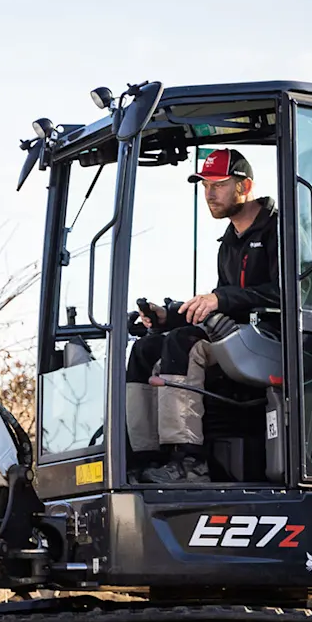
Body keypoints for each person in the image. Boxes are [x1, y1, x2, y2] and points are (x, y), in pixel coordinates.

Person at [125, 148, 280, 483]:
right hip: (235, 335)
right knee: (146, 349)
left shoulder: (280, 229)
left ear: (245, 185)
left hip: (274, 338)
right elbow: (220, 301)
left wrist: (219, 299)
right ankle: (145, 458)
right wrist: (167, 316)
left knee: (185, 343)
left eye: (219, 184)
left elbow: (285, 293)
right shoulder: (229, 240)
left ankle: (190, 462)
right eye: (204, 185)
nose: (209, 193)